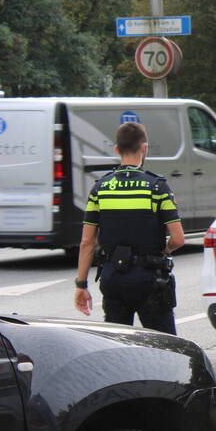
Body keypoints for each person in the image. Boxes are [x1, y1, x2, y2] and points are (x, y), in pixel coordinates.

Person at [73, 121, 184, 334]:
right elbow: (178, 239)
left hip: (114, 278)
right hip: (150, 280)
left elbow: (87, 242)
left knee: (118, 347)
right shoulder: (157, 187)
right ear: (144, 148)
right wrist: (165, 251)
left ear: (117, 149)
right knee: (165, 347)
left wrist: (81, 285)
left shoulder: (100, 188)